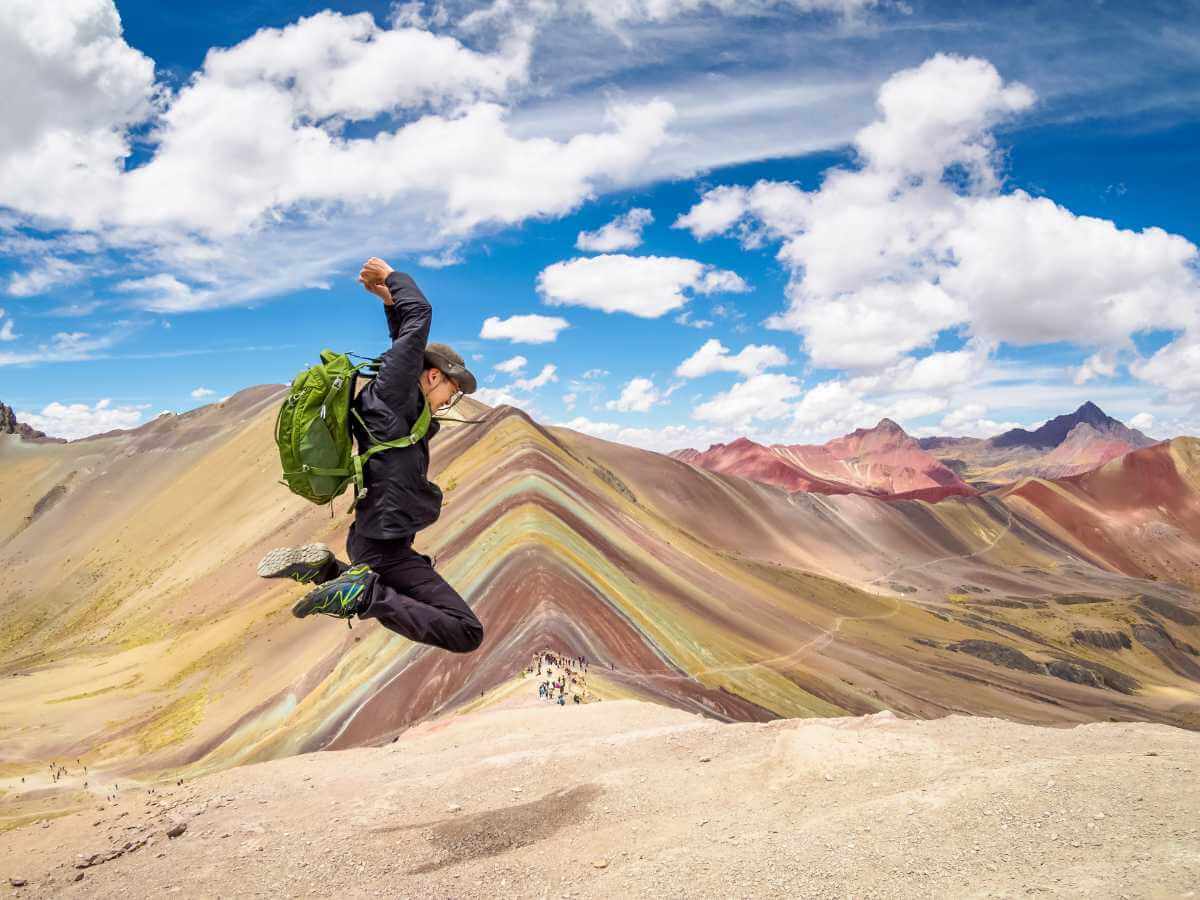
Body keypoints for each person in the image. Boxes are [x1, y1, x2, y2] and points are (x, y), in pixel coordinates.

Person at [255, 257, 484, 654]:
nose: (452, 398)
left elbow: (404, 342)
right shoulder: (394, 393)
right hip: (384, 545)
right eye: (453, 388)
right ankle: (358, 594)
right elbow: (420, 319)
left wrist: (388, 301)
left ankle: (326, 571)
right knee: (466, 631)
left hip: (374, 539)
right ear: (433, 376)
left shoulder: (395, 399)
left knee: (396, 592)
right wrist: (393, 278)